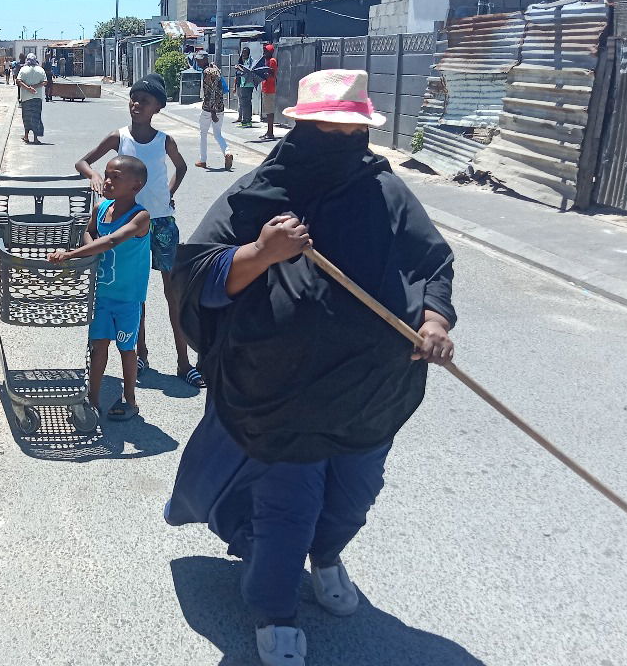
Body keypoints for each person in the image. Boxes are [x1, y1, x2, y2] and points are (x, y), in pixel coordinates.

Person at [163, 70, 458, 665]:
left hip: (371, 391)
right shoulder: (260, 192)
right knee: (287, 509)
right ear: (301, 124)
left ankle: (326, 558)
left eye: (350, 129)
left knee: (354, 496)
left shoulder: (386, 191)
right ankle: (274, 610)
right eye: (327, 127)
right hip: (279, 395)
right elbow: (195, 275)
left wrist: (435, 321)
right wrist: (261, 252)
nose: (339, 138)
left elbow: (432, 263)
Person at [74, 74, 202, 388]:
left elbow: (181, 167)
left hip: (161, 223)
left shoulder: (164, 140)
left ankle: (184, 362)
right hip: (128, 224)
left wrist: (169, 192)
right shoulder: (119, 138)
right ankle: (141, 354)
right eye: (133, 98)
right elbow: (83, 161)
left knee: (172, 293)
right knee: (136, 294)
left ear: (157, 107)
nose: (136, 104)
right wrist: (92, 175)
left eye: (144, 101)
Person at [48, 156, 152, 421]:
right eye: (106, 174)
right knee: (98, 346)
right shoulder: (102, 207)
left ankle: (130, 398)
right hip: (102, 294)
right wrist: (88, 248)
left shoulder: (141, 217)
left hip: (128, 298)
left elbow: (112, 240)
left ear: (136, 186)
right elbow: (90, 231)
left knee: (127, 349)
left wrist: (72, 255)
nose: (107, 181)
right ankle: (92, 399)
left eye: (116, 177)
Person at [196, 52, 232, 171]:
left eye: (199, 60)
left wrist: (212, 112)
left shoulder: (206, 73)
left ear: (204, 60)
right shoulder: (215, 69)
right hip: (220, 107)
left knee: (203, 133)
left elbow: (210, 93)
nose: (197, 62)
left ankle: (203, 160)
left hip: (209, 109)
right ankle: (227, 152)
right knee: (217, 134)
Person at [17, 53, 47, 144]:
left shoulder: (23, 69)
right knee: (36, 117)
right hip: (37, 97)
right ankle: (35, 138)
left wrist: (27, 88)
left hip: (26, 98)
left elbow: (18, 81)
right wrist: (35, 86)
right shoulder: (40, 70)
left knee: (26, 117)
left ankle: (26, 136)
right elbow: (45, 82)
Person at [258, 43, 279, 141]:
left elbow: (271, 73)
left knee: (270, 112)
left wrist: (262, 71)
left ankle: (270, 133)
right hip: (266, 89)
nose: (264, 53)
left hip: (270, 89)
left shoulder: (272, 61)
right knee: (267, 112)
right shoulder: (266, 60)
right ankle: (268, 131)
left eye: (266, 51)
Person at [234, 45, 257, 128]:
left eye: (245, 52)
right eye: (243, 52)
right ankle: (246, 120)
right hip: (242, 84)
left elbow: (248, 72)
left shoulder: (251, 61)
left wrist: (239, 69)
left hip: (248, 85)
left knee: (246, 103)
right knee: (244, 103)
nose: (243, 54)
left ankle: (247, 120)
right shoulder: (242, 61)